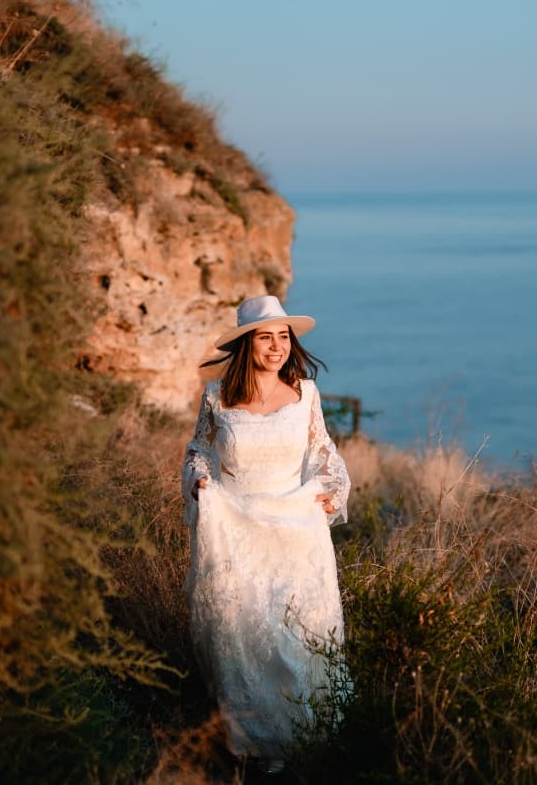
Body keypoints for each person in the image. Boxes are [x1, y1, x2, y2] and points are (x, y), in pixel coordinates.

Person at [180, 295, 351, 765]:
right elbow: (198, 450)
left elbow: (325, 454)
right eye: (265, 337)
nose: (276, 347)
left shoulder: (305, 393)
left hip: (296, 530)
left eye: (282, 337)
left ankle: (308, 739)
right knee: (245, 636)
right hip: (237, 529)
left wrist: (333, 489)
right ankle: (251, 743)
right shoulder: (216, 397)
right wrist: (198, 480)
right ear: (246, 344)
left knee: (296, 632)